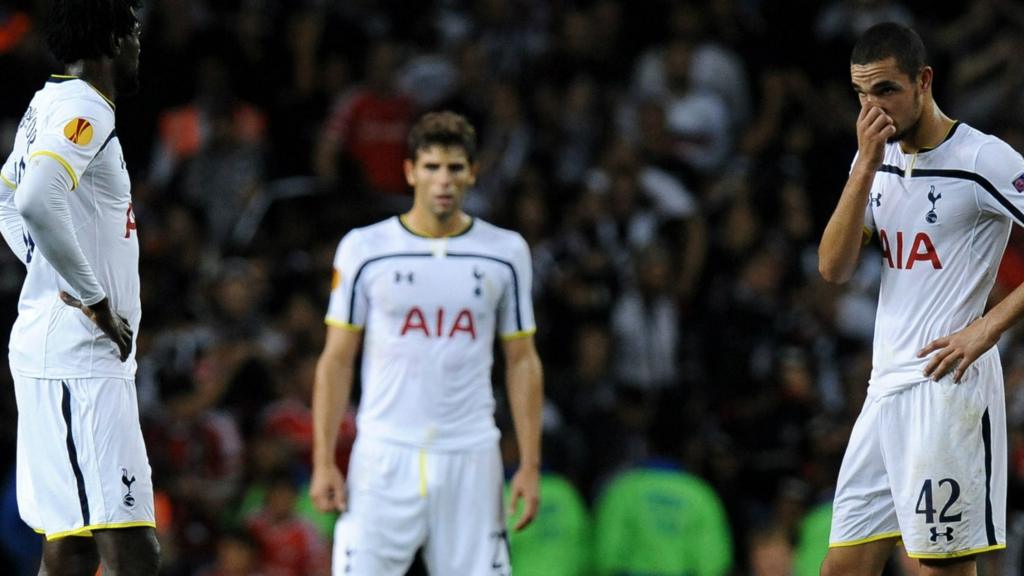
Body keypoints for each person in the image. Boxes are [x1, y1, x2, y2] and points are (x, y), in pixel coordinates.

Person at [818, 22, 1024, 575]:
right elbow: (832, 268)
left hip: (947, 393)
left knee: (942, 570)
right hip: (884, 390)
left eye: (886, 89)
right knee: (841, 567)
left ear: (923, 81)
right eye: (862, 94)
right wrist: (863, 164)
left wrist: (989, 327)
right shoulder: (873, 160)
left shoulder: (983, 159)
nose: (873, 108)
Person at [310, 110, 544, 575]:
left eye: (455, 168)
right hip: (383, 454)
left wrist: (531, 463)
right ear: (410, 171)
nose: (444, 180)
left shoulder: (506, 252)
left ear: (473, 173)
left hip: (471, 455)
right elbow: (336, 360)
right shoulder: (365, 248)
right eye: (432, 166)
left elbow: (521, 360)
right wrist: (323, 459)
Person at [0, 1, 160, 574]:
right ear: (116, 39)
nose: (141, 45)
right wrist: (92, 298)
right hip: (80, 362)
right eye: (136, 33)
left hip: (59, 355)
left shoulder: (44, 105)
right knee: (134, 550)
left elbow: (6, 194)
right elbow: (34, 197)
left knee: (70, 550)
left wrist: (48, 266)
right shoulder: (84, 108)